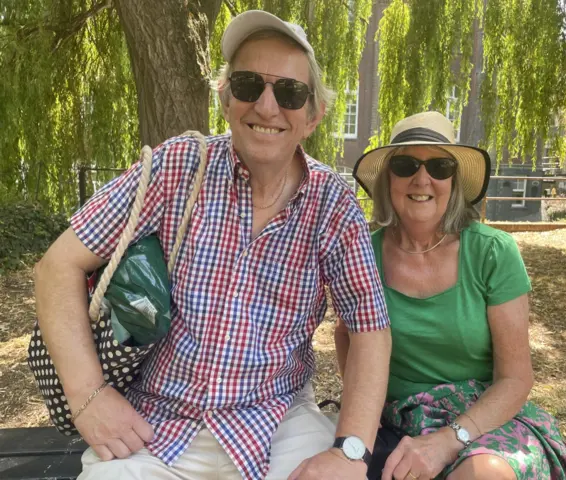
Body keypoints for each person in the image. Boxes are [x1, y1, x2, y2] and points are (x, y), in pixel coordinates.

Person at [34, 10, 391, 480]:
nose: (266, 107)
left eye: (289, 92)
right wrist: (89, 398)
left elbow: (368, 328)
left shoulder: (333, 202)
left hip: (276, 421)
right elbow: (56, 267)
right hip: (154, 425)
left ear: (313, 115)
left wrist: (349, 451)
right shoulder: (176, 167)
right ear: (225, 98)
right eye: (248, 85)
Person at [336, 112, 566, 479]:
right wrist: (365, 411)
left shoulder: (493, 253)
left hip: (483, 418)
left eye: (439, 166)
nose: (422, 179)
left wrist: (447, 441)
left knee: (483, 473)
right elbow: (346, 334)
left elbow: (516, 379)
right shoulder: (363, 254)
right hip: (395, 418)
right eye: (406, 164)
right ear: (388, 179)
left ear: (453, 181)